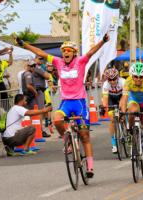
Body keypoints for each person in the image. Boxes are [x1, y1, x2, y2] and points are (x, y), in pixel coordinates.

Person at [16, 33, 110, 178]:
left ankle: (90, 167)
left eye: (68, 51)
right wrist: (24, 44)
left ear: (74, 53)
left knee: (85, 136)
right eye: (64, 51)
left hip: (79, 103)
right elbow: (40, 53)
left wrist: (103, 41)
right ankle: (68, 141)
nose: (65, 53)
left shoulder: (80, 62)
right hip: (66, 102)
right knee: (57, 119)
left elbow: (91, 52)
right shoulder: (58, 62)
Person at [120, 62, 143, 173]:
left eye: (141, 77)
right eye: (136, 76)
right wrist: (122, 111)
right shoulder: (128, 82)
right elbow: (125, 99)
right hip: (134, 101)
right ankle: (130, 132)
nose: (138, 79)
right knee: (132, 111)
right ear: (132, 75)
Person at [99, 68, 125, 154]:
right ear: (107, 79)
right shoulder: (106, 85)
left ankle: (128, 129)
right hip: (112, 99)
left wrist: (123, 107)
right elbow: (105, 98)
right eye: (110, 79)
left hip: (122, 97)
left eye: (114, 79)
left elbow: (125, 97)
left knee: (124, 113)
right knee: (113, 119)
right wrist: (103, 107)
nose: (112, 81)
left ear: (117, 78)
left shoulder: (123, 82)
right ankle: (114, 143)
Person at [33, 56, 51, 138]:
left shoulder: (38, 68)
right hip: (38, 91)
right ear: (35, 59)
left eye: (42, 59)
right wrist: (46, 72)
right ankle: (40, 130)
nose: (41, 60)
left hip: (39, 91)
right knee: (40, 111)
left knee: (40, 111)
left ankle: (39, 129)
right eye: (39, 59)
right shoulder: (37, 68)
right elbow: (48, 76)